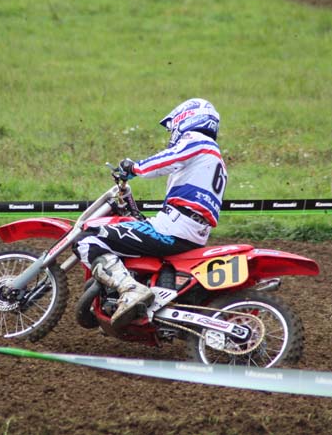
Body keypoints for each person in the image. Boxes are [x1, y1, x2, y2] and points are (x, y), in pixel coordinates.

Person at [74, 98, 227, 327]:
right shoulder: (215, 161)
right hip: (191, 232)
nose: (172, 133)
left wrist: (134, 168)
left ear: (187, 119)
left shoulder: (198, 141)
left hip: (175, 228)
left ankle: (130, 289)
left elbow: (169, 158)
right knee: (132, 231)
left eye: (173, 126)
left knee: (87, 239)